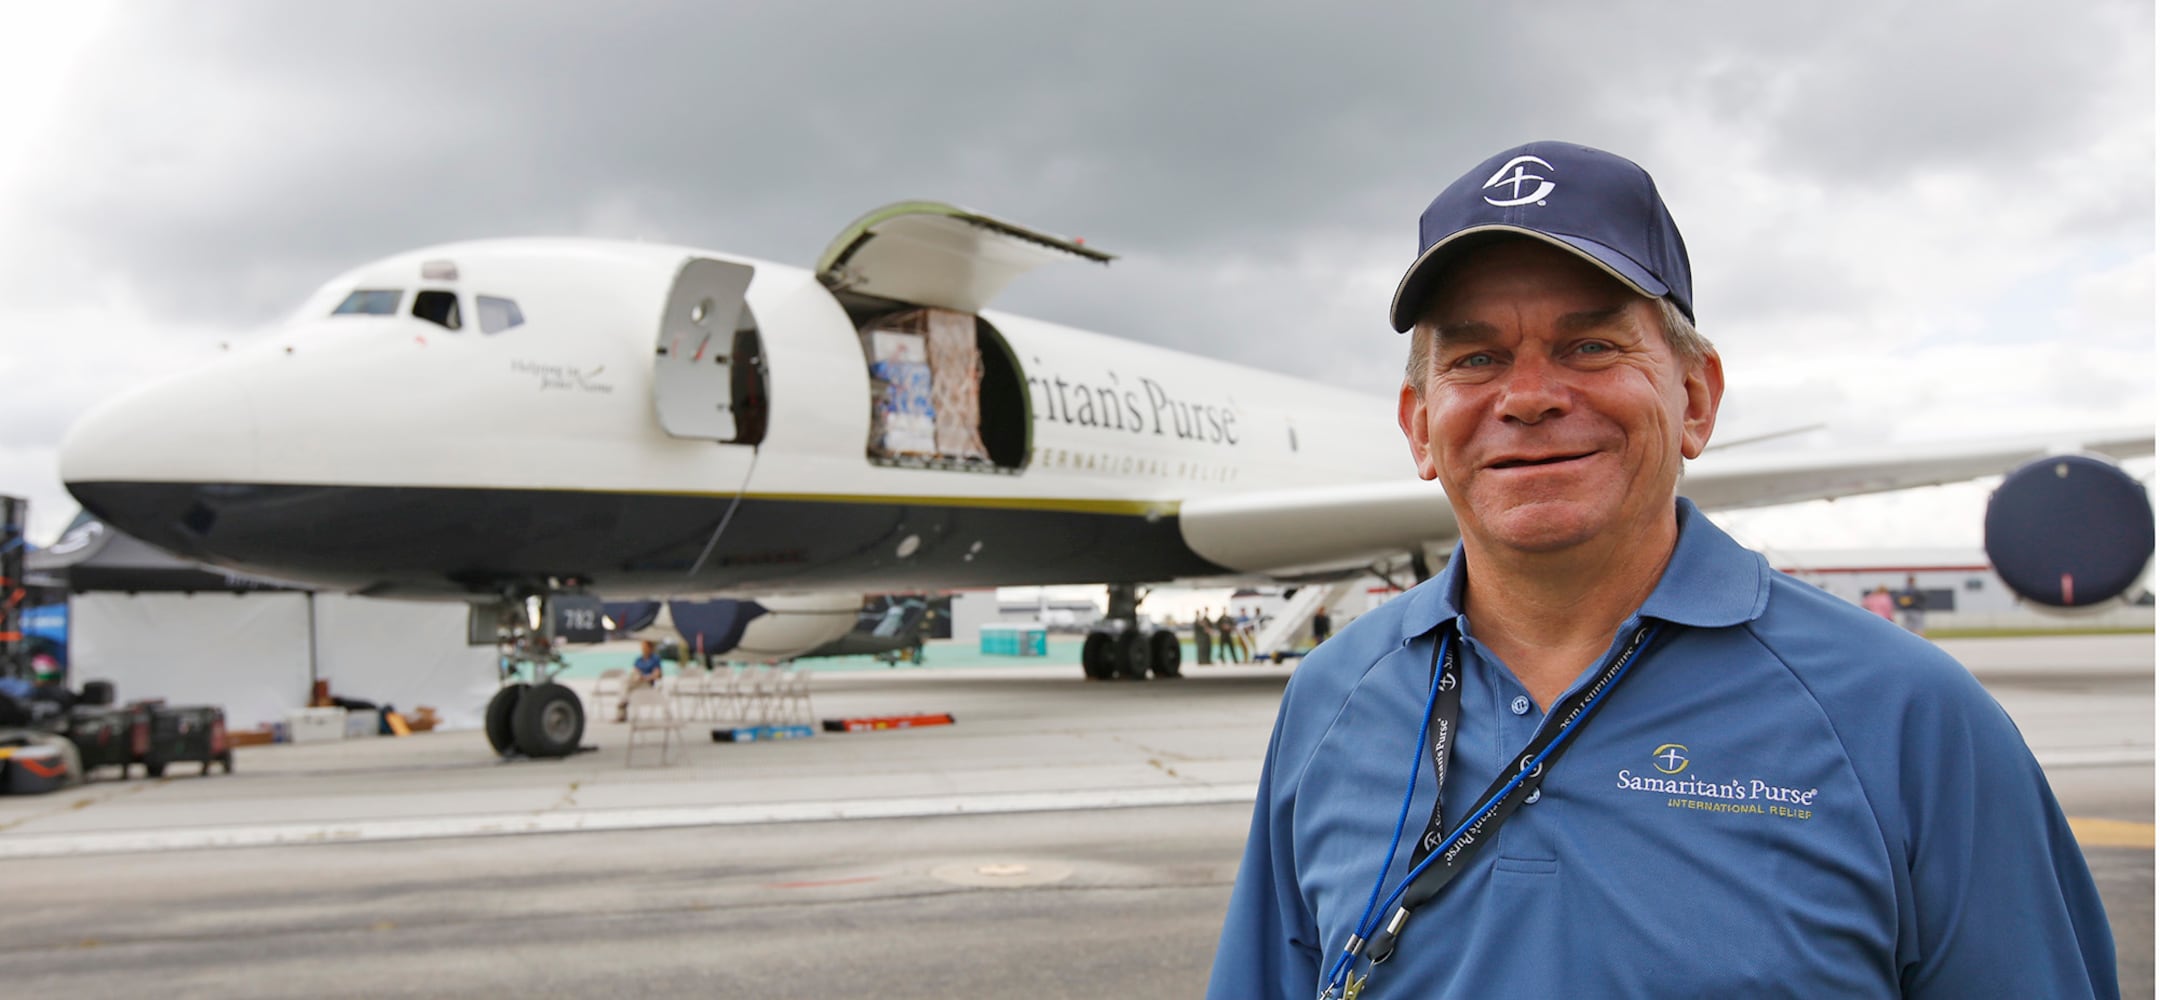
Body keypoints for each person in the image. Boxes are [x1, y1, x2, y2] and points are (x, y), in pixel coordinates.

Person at [1208, 141, 2115, 999]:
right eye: (1477, 358)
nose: (1527, 397)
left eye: (1591, 346)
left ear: (1697, 397)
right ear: (1419, 425)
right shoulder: (1330, 700)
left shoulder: (1908, 716)